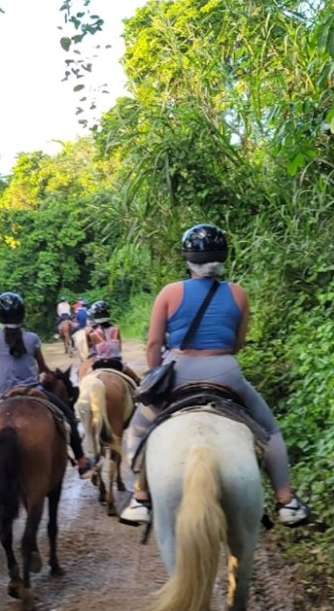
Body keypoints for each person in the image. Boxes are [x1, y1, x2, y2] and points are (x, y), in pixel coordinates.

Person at [118, 223, 310, 528]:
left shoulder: (170, 292)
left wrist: (157, 375)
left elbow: (154, 343)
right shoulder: (238, 294)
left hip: (179, 370)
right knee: (270, 430)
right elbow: (237, 343)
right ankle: (286, 500)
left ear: (187, 258)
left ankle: (140, 498)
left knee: (138, 430)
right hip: (226, 372)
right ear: (222, 257)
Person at [0, 291, 95, 478]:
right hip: (33, 391)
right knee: (67, 415)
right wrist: (50, 374)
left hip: (4, 395)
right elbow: (42, 368)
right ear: (22, 313)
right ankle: (82, 459)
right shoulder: (32, 338)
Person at [80, 300, 141, 383]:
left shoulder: (92, 334)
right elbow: (119, 349)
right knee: (136, 380)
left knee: (84, 380)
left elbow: (92, 352)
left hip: (99, 364)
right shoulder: (116, 329)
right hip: (116, 363)